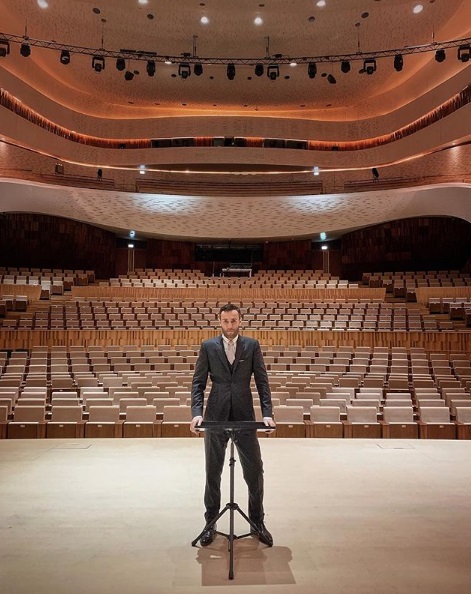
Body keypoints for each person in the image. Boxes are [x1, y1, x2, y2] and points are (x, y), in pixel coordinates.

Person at [190, 303, 276, 547]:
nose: (230, 325)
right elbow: (198, 383)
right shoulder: (208, 346)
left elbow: (262, 382)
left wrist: (267, 413)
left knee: (254, 472)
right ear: (220, 322)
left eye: (234, 321)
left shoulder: (252, 345)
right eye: (226, 321)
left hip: (244, 416)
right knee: (212, 473)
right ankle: (210, 524)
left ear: (240, 321)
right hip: (215, 416)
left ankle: (257, 522)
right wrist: (196, 413)